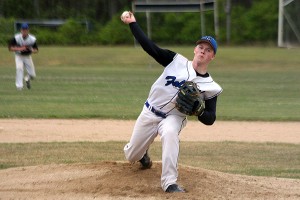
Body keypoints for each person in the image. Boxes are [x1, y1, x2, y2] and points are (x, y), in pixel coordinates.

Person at [121, 12, 222, 193]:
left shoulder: (211, 86)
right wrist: (133, 24)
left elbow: (210, 118)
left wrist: (199, 111)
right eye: (200, 47)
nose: (203, 51)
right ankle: (142, 153)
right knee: (131, 155)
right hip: (150, 111)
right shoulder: (175, 61)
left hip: (174, 117)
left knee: (169, 134)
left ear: (212, 57)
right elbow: (150, 47)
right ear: (195, 49)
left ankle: (170, 183)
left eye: (208, 50)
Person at [8, 23, 38, 90]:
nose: (24, 31)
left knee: (32, 75)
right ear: (21, 30)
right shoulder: (16, 37)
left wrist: (32, 50)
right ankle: (19, 86)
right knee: (19, 69)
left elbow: (36, 50)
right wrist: (20, 49)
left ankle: (27, 79)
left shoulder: (32, 39)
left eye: (26, 30)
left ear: (28, 30)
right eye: (23, 30)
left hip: (27, 56)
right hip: (19, 56)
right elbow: (10, 48)